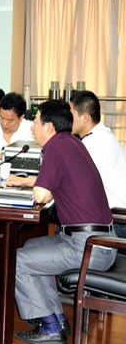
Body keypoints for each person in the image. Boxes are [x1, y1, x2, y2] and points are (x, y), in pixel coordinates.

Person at [5, 100, 116, 344]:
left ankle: (51, 328)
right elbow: (60, 180)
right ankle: (57, 318)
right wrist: (24, 181)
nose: (32, 127)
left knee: (17, 260)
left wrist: (35, 185)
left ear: (49, 126)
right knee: (31, 247)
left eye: (35, 122)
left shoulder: (55, 147)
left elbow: (42, 196)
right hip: (99, 242)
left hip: (86, 247)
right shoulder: (71, 142)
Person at [71, 90, 126, 239]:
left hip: (119, 221)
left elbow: (67, 178)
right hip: (117, 216)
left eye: (71, 114)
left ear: (85, 117)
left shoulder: (93, 143)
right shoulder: (102, 134)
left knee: (66, 230)